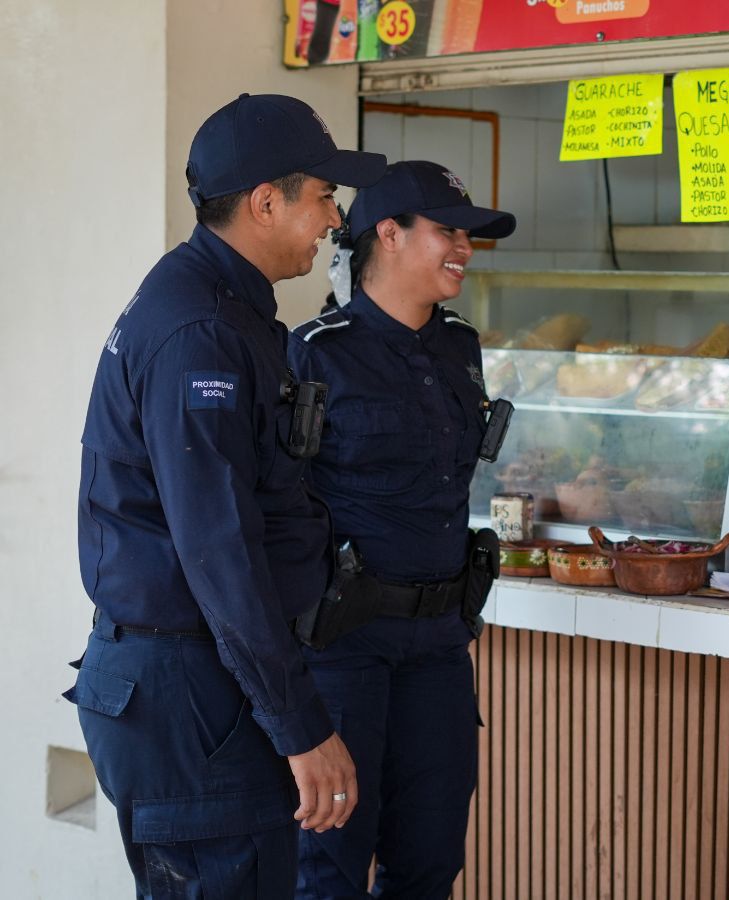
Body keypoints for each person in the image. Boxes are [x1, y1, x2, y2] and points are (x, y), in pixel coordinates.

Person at [65, 93, 386, 898]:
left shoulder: (220, 306)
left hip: (194, 688)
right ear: (265, 202)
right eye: (322, 196)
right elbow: (218, 551)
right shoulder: (199, 331)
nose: (333, 219)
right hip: (190, 701)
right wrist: (301, 725)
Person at [288, 160, 516, 899]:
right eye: (448, 230)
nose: (464, 247)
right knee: (329, 867)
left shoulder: (460, 347)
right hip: (345, 650)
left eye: (469, 234)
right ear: (387, 233)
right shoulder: (315, 354)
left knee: (429, 861)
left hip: (440, 649)